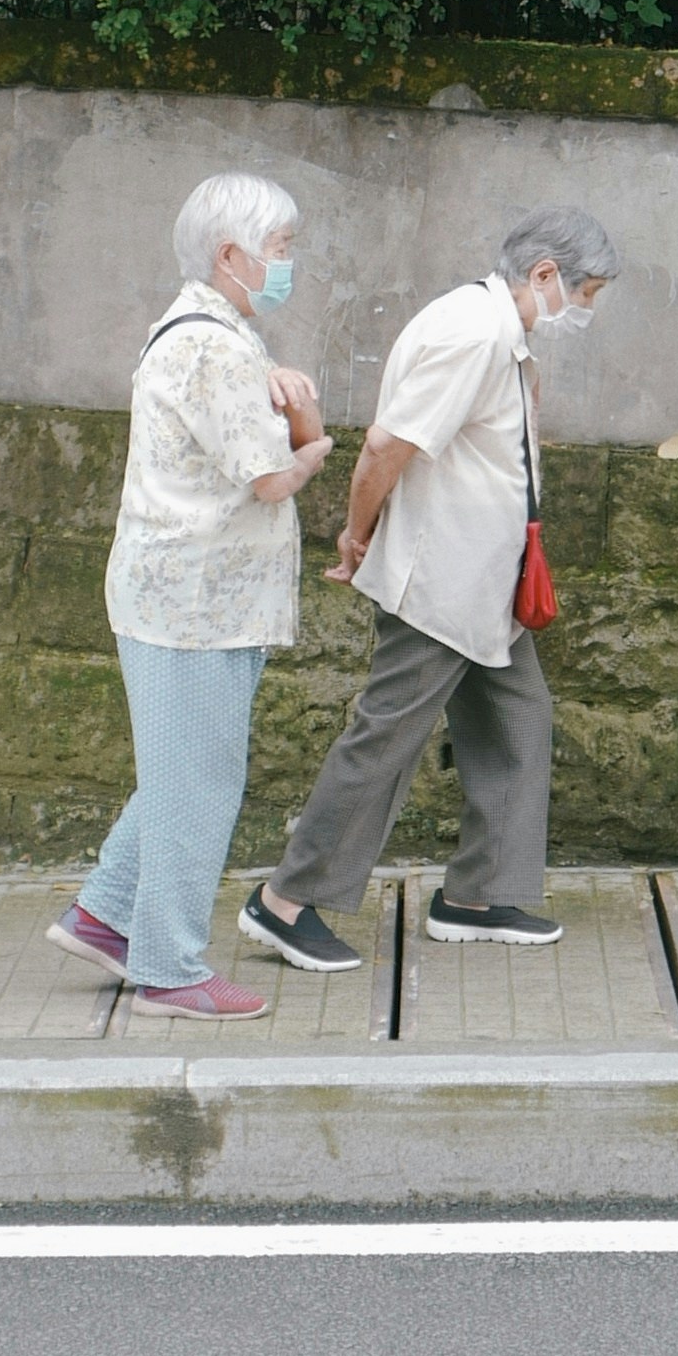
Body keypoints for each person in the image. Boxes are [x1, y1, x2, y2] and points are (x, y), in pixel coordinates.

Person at [238, 202, 620, 973]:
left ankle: (475, 897)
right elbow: (386, 446)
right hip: (442, 582)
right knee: (387, 738)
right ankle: (283, 903)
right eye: (585, 294)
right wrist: (357, 531)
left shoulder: (489, 327)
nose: (583, 311)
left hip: (481, 584)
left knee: (520, 719)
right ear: (545, 275)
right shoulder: (474, 334)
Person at [45, 170, 332, 1019]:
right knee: (197, 783)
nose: (287, 263)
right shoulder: (211, 343)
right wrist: (314, 443)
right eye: (279, 249)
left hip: (196, 598)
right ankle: (168, 967)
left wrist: (281, 391)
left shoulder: (214, 334)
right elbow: (273, 475)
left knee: (183, 772)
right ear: (231, 254)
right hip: (192, 603)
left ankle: (104, 916)